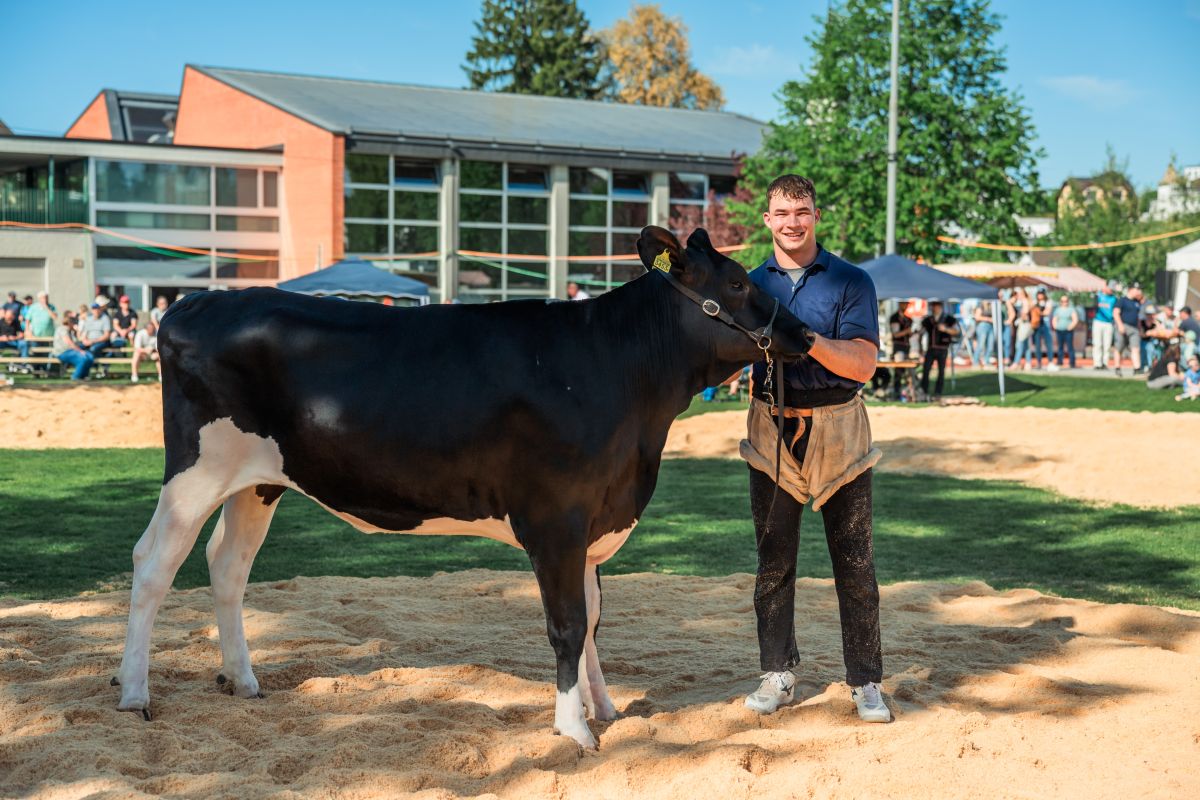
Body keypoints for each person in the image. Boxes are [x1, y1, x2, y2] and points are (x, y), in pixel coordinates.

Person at [739, 174, 889, 723]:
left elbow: (863, 363)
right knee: (773, 563)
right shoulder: (749, 286)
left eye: (801, 211)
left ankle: (866, 681)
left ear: (816, 216)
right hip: (770, 428)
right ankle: (777, 673)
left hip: (839, 427)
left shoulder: (851, 280)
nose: (792, 223)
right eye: (781, 213)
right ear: (767, 220)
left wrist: (806, 339)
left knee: (855, 564)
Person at [920, 300, 958, 398]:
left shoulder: (949, 319)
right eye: (932, 306)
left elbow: (956, 331)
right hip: (931, 348)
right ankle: (924, 390)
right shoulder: (928, 320)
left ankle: (938, 392)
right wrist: (920, 347)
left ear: (940, 306)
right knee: (926, 369)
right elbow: (921, 332)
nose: (934, 308)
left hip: (943, 348)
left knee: (941, 371)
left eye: (936, 305)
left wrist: (946, 329)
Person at [51, 311, 95, 380]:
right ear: (70, 323)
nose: (75, 324)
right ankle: (75, 377)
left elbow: (76, 341)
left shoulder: (70, 331)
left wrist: (76, 332)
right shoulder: (63, 329)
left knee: (90, 356)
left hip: (70, 351)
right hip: (62, 352)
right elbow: (69, 343)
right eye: (74, 323)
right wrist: (80, 351)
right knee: (83, 358)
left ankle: (84, 376)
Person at [1113, 284, 1142, 376]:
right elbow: (1116, 313)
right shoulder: (1122, 300)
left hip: (1134, 328)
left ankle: (1137, 368)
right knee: (1119, 347)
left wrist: (1139, 328)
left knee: (1135, 348)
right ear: (1130, 290)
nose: (1138, 291)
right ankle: (1117, 368)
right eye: (1136, 289)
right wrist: (1120, 325)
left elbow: (1138, 317)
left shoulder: (1137, 302)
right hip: (1123, 325)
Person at [1049, 294, 1079, 370]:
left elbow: (1075, 319)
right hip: (1059, 330)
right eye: (1062, 301)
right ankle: (1060, 361)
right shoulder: (1058, 310)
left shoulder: (1071, 309)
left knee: (1070, 347)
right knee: (1060, 347)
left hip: (1068, 331)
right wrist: (1055, 326)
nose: (1064, 302)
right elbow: (1054, 319)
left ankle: (1072, 362)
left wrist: (1070, 327)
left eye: (1065, 301)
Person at [1093, 282, 1118, 369]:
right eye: (1110, 289)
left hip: (1109, 323)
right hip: (1098, 321)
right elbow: (1094, 305)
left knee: (1107, 344)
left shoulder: (1114, 298)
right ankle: (1097, 363)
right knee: (1097, 344)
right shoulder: (1098, 296)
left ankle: (1105, 363)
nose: (1111, 291)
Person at [1029, 290, 1052, 368]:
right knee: (1037, 345)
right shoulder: (1035, 302)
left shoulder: (1048, 302)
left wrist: (1038, 312)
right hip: (1037, 325)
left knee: (1048, 343)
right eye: (1039, 294)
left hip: (1045, 325)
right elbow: (1031, 309)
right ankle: (1039, 362)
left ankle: (1050, 361)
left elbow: (1047, 312)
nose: (1040, 296)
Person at [972, 302, 995, 367]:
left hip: (991, 326)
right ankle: (975, 362)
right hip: (982, 326)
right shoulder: (980, 305)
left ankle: (986, 362)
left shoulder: (991, 305)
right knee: (980, 345)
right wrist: (988, 319)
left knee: (990, 346)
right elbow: (977, 317)